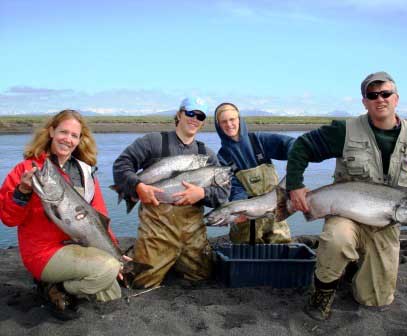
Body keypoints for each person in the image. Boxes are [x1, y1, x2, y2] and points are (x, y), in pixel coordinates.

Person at [286, 71, 407, 320]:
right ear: (365, 102)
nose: (380, 99)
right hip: (345, 215)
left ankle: (350, 270)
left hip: (387, 222)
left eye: (385, 93)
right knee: (337, 239)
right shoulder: (344, 130)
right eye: (373, 95)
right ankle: (321, 294)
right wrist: (295, 185)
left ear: (396, 98)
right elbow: (301, 146)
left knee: (375, 300)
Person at [0, 110, 123, 320]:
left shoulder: (85, 172)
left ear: (79, 140)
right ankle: (54, 287)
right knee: (106, 269)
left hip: (78, 248)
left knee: (111, 292)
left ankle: (64, 284)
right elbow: (8, 219)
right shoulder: (27, 169)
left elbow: (100, 218)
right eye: (63, 132)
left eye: (74, 135)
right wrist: (23, 192)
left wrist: (116, 252)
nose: (68, 139)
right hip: (43, 253)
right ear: (51, 132)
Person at [113, 96, 230, 289]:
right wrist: (138, 186)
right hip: (157, 231)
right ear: (179, 114)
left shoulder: (207, 155)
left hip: (193, 233)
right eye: (190, 113)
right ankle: (143, 252)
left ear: (203, 122)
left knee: (203, 276)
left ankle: (173, 261)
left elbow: (224, 193)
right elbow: (121, 165)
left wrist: (202, 193)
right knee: (141, 281)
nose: (194, 119)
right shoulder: (153, 141)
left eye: (200, 116)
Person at [214, 102, 295, 244]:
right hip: (245, 225)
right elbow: (235, 189)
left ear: (239, 119)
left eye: (232, 119)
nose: (229, 124)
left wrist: (296, 162)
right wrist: (239, 211)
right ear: (218, 125)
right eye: (224, 121)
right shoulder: (222, 158)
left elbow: (293, 144)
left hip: (276, 211)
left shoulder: (259, 141)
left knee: (279, 253)